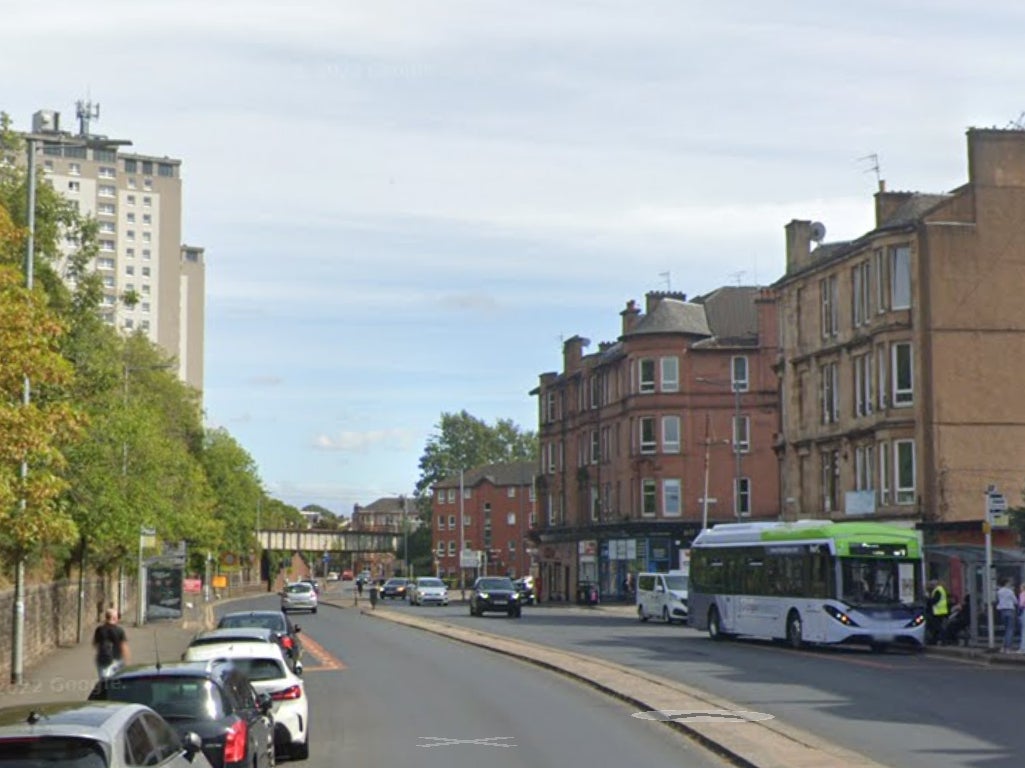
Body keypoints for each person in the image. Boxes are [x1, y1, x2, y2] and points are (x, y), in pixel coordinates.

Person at [93, 608, 129, 681]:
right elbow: (124, 647)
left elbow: (95, 644)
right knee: (117, 680)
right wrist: (127, 661)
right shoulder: (119, 631)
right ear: (114, 618)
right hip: (116, 659)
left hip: (103, 659)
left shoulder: (99, 629)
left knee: (104, 681)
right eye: (118, 617)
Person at [996, 578, 1017, 652]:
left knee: (1006, 629)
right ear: (1006, 583)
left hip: (1002, 611)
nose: (1010, 584)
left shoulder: (999, 591)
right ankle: (1008, 647)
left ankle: (1003, 647)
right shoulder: (1010, 591)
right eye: (1009, 583)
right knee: (1010, 629)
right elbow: (1015, 601)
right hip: (1010, 610)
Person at [926, 579, 949, 645]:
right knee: (935, 627)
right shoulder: (940, 589)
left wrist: (928, 599)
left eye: (931, 585)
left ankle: (944, 640)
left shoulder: (938, 590)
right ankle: (934, 640)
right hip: (941, 611)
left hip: (937, 612)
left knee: (938, 627)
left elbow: (935, 600)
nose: (930, 586)